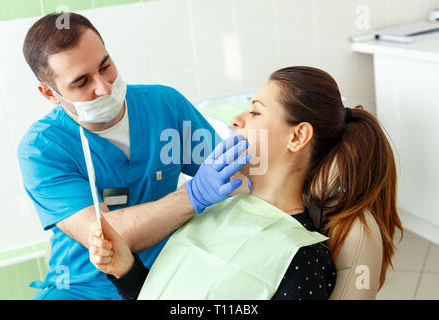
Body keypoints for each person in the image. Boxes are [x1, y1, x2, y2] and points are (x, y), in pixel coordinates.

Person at [89, 65, 402, 300]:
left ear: (297, 136)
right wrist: (126, 270)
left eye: (255, 112)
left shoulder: (301, 258)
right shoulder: (215, 210)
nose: (236, 120)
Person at [17, 12, 250, 300]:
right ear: (49, 93)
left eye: (106, 66)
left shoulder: (165, 105)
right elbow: (109, 236)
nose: (104, 87)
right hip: (81, 290)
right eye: (81, 82)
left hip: (173, 277)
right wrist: (194, 195)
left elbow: (235, 178)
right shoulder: (42, 149)